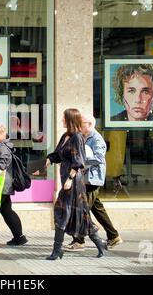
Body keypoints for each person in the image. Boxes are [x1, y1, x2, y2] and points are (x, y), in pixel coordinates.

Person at [45, 108, 107, 260]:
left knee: (61, 212)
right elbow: (59, 153)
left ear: (70, 120)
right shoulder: (65, 136)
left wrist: (69, 180)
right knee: (82, 214)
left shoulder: (77, 137)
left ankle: (57, 249)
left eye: (64, 118)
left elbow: (78, 161)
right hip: (67, 178)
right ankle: (100, 244)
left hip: (73, 181)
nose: (62, 120)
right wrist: (50, 159)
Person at [64, 114, 122, 252]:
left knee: (82, 209)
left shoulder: (97, 139)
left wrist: (80, 162)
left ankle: (79, 241)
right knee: (97, 209)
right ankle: (113, 236)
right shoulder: (83, 137)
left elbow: (98, 159)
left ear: (89, 124)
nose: (79, 125)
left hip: (92, 179)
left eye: (81, 123)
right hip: (85, 178)